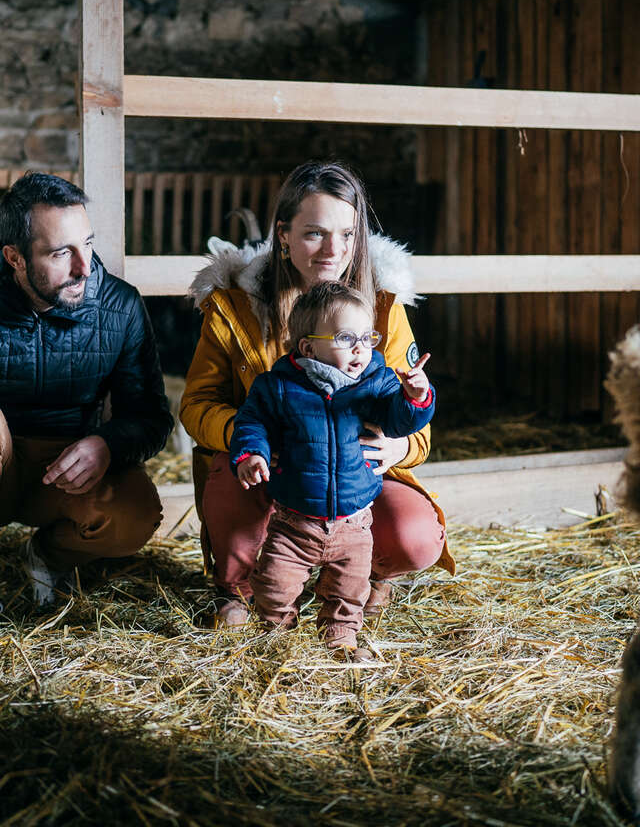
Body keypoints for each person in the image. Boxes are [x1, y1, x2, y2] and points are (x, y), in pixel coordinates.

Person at [180, 160, 455, 626]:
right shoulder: (234, 307)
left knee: (414, 537)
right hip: (271, 472)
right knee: (229, 475)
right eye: (315, 233)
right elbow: (195, 406)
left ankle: (361, 574)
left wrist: (400, 444)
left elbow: (418, 426)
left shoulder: (383, 306)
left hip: (352, 473)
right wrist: (254, 439)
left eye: (347, 235)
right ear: (283, 235)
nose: (334, 250)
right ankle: (239, 586)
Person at [230, 282, 435, 659]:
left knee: (349, 590)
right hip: (294, 522)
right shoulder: (278, 388)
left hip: (355, 522)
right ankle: (277, 637)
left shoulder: (376, 383)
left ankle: (341, 640)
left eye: (366, 337)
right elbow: (251, 423)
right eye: (345, 337)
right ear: (308, 348)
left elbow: (398, 421)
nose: (361, 347)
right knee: (274, 585)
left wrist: (414, 396)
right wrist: (251, 455)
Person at [0, 172, 173, 605]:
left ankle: (47, 554)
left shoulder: (122, 306)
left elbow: (151, 417)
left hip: (66, 466)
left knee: (135, 516)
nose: (83, 267)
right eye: (61, 253)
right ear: (14, 258)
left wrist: (108, 444)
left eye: (88, 244)